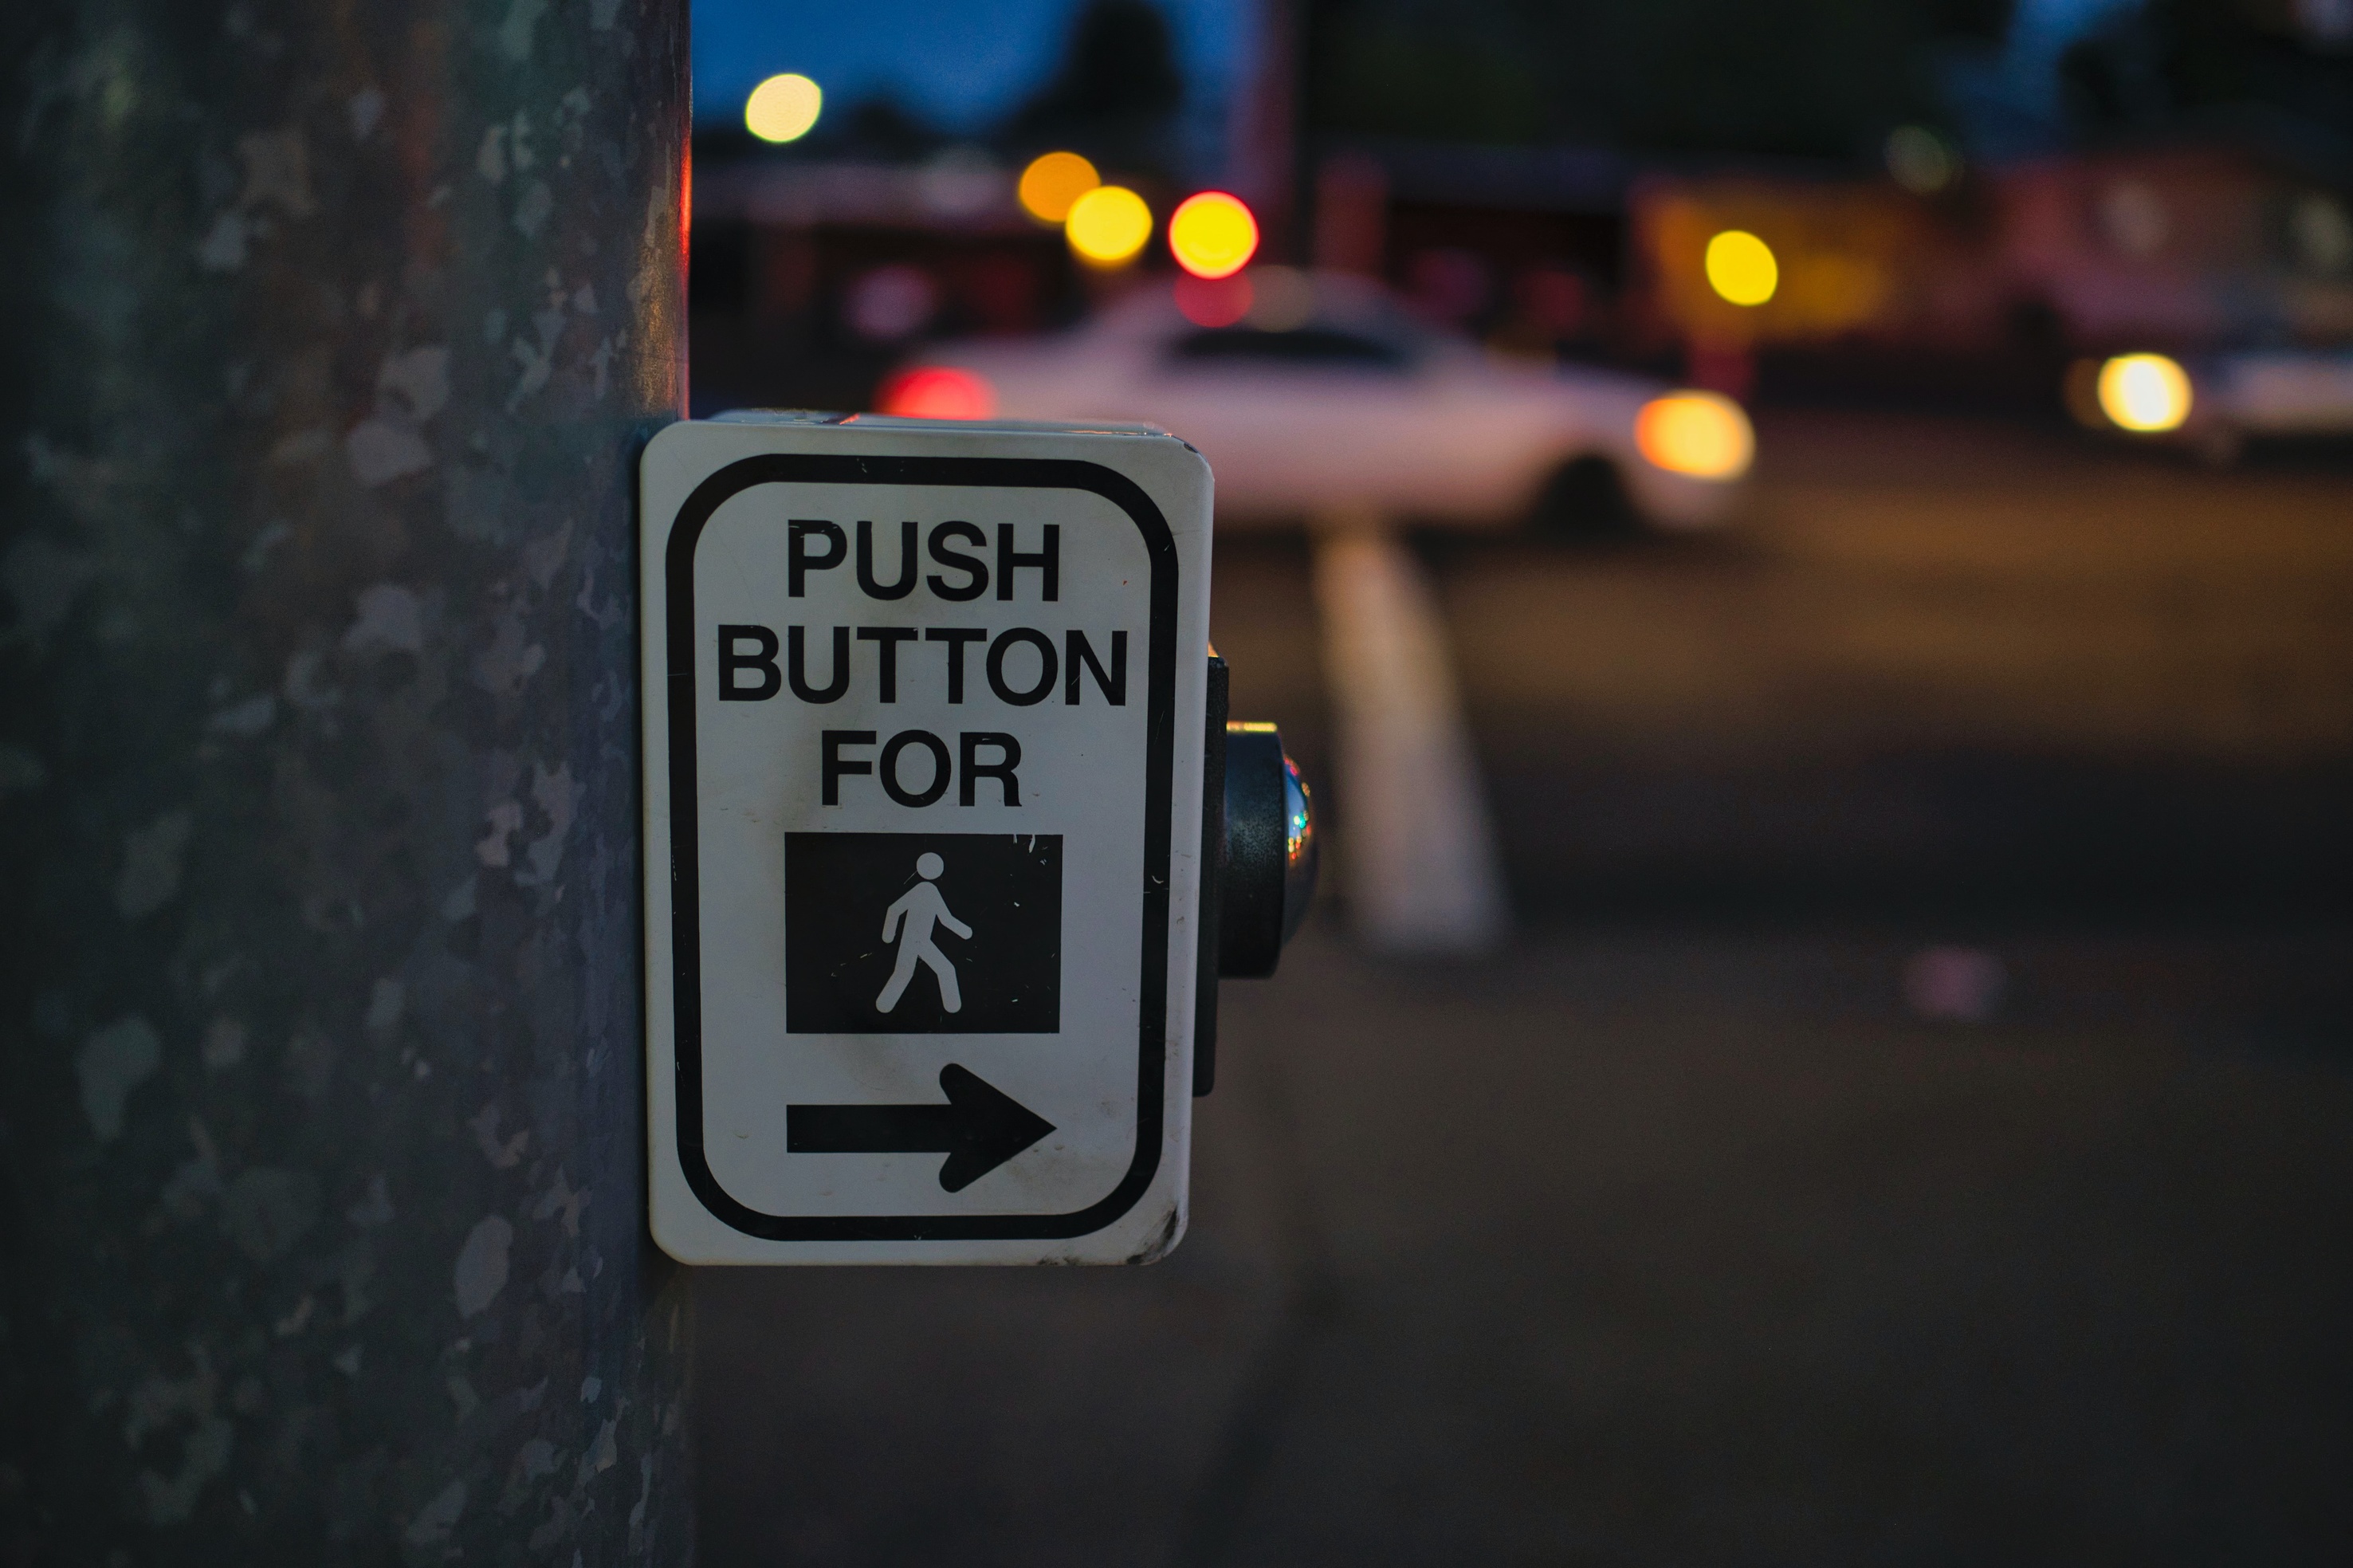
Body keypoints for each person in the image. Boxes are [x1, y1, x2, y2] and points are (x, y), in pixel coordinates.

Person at [876, 851, 970, 1012]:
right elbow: (895, 910)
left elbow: (894, 910)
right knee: (941, 970)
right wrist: (965, 932)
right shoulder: (926, 890)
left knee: (906, 973)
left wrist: (889, 936)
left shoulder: (926, 890)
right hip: (916, 942)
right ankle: (884, 1006)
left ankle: (884, 1006)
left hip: (917, 942)